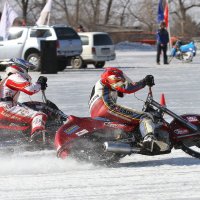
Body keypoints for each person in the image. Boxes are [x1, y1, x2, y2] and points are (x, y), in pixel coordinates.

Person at [89, 67, 168, 152]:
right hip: (107, 108)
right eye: (121, 77)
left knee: (131, 121)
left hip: (97, 113)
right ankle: (149, 139)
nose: (123, 79)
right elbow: (126, 88)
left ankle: (128, 140)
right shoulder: (110, 76)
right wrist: (144, 81)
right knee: (144, 116)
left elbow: (122, 92)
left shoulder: (103, 84)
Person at [0, 58, 48, 143]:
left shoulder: (7, 79)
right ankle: (38, 138)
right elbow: (30, 89)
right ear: (21, 68)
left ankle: (28, 137)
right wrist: (40, 83)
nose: (27, 72)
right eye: (27, 69)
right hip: (6, 108)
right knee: (39, 115)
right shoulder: (14, 76)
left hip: (6, 108)